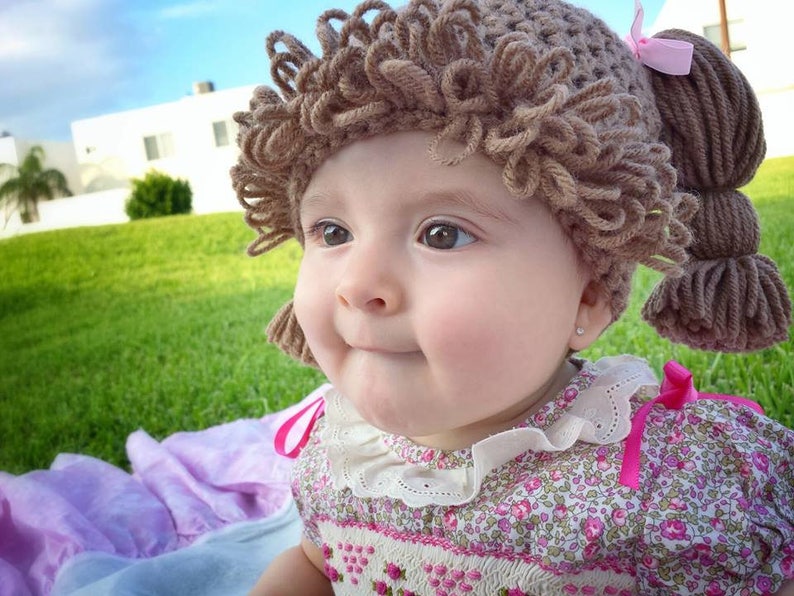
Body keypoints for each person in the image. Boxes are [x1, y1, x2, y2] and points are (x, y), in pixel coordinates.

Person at [232, 0, 794, 593]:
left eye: (442, 234)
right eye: (333, 233)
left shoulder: (664, 487)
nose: (357, 285)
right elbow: (320, 565)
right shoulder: (339, 449)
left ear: (590, 297)